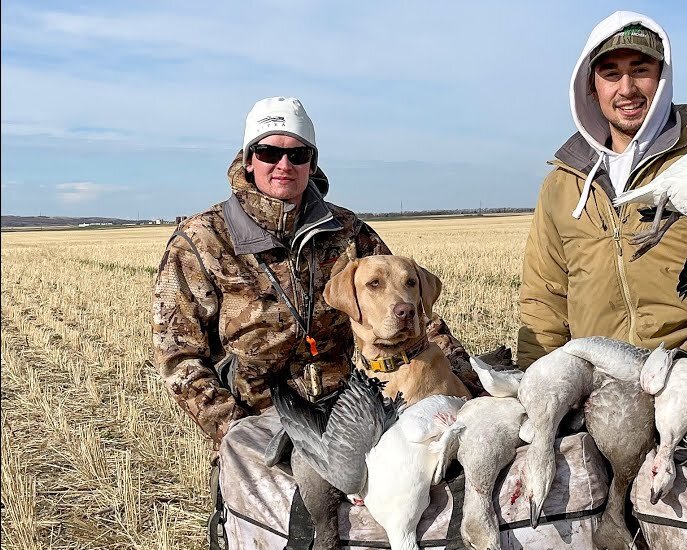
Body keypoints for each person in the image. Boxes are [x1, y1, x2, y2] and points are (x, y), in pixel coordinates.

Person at [152, 96, 479, 450]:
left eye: (298, 154)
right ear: (248, 160)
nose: (284, 164)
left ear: (312, 163)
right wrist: (235, 429)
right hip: (261, 419)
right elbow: (178, 356)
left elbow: (408, 310)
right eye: (268, 152)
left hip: (349, 410)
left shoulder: (348, 231)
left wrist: (475, 388)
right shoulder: (203, 240)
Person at [517, 11, 687, 376]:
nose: (626, 88)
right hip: (604, 364)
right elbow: (545, 295)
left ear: (662, 78)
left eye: (640, 70)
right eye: (611, 74)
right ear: (591, 87)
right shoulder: (563, 184)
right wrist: (533, 377)